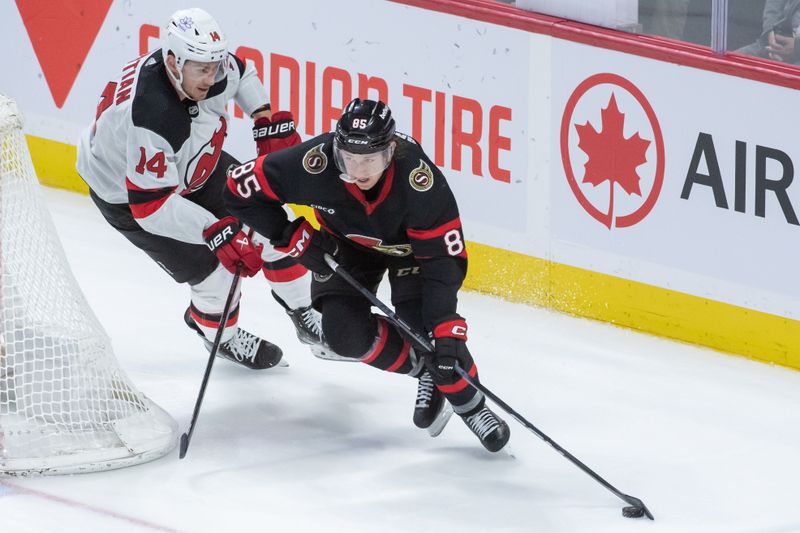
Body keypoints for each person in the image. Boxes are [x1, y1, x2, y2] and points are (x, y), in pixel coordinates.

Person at [223, 98, 511, 452]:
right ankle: (425, 371)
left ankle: (473, 408)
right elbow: (237, 189)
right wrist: (290, 236)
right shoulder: (314, 163)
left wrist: (444, 325)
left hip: (412, 254)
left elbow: (441, 263)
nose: (358, 170)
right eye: (349, 158)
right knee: (343, 335)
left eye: (370, 160)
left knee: (429, 332)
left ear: (390, 152)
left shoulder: (419, 182)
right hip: (346, 247)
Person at [76, 8, 322, 370]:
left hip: (195, 166)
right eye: (202, 69)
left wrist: (264, 118)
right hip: (132, 198)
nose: (211, 77)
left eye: (215, 66)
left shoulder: (204, 66)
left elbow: (244, 73)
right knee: (216, 274)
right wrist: (215, 231)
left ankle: (305, 312)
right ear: (174, 62)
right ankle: (219, 337)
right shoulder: (154, 114)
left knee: (271, 223)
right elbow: (152, 207)